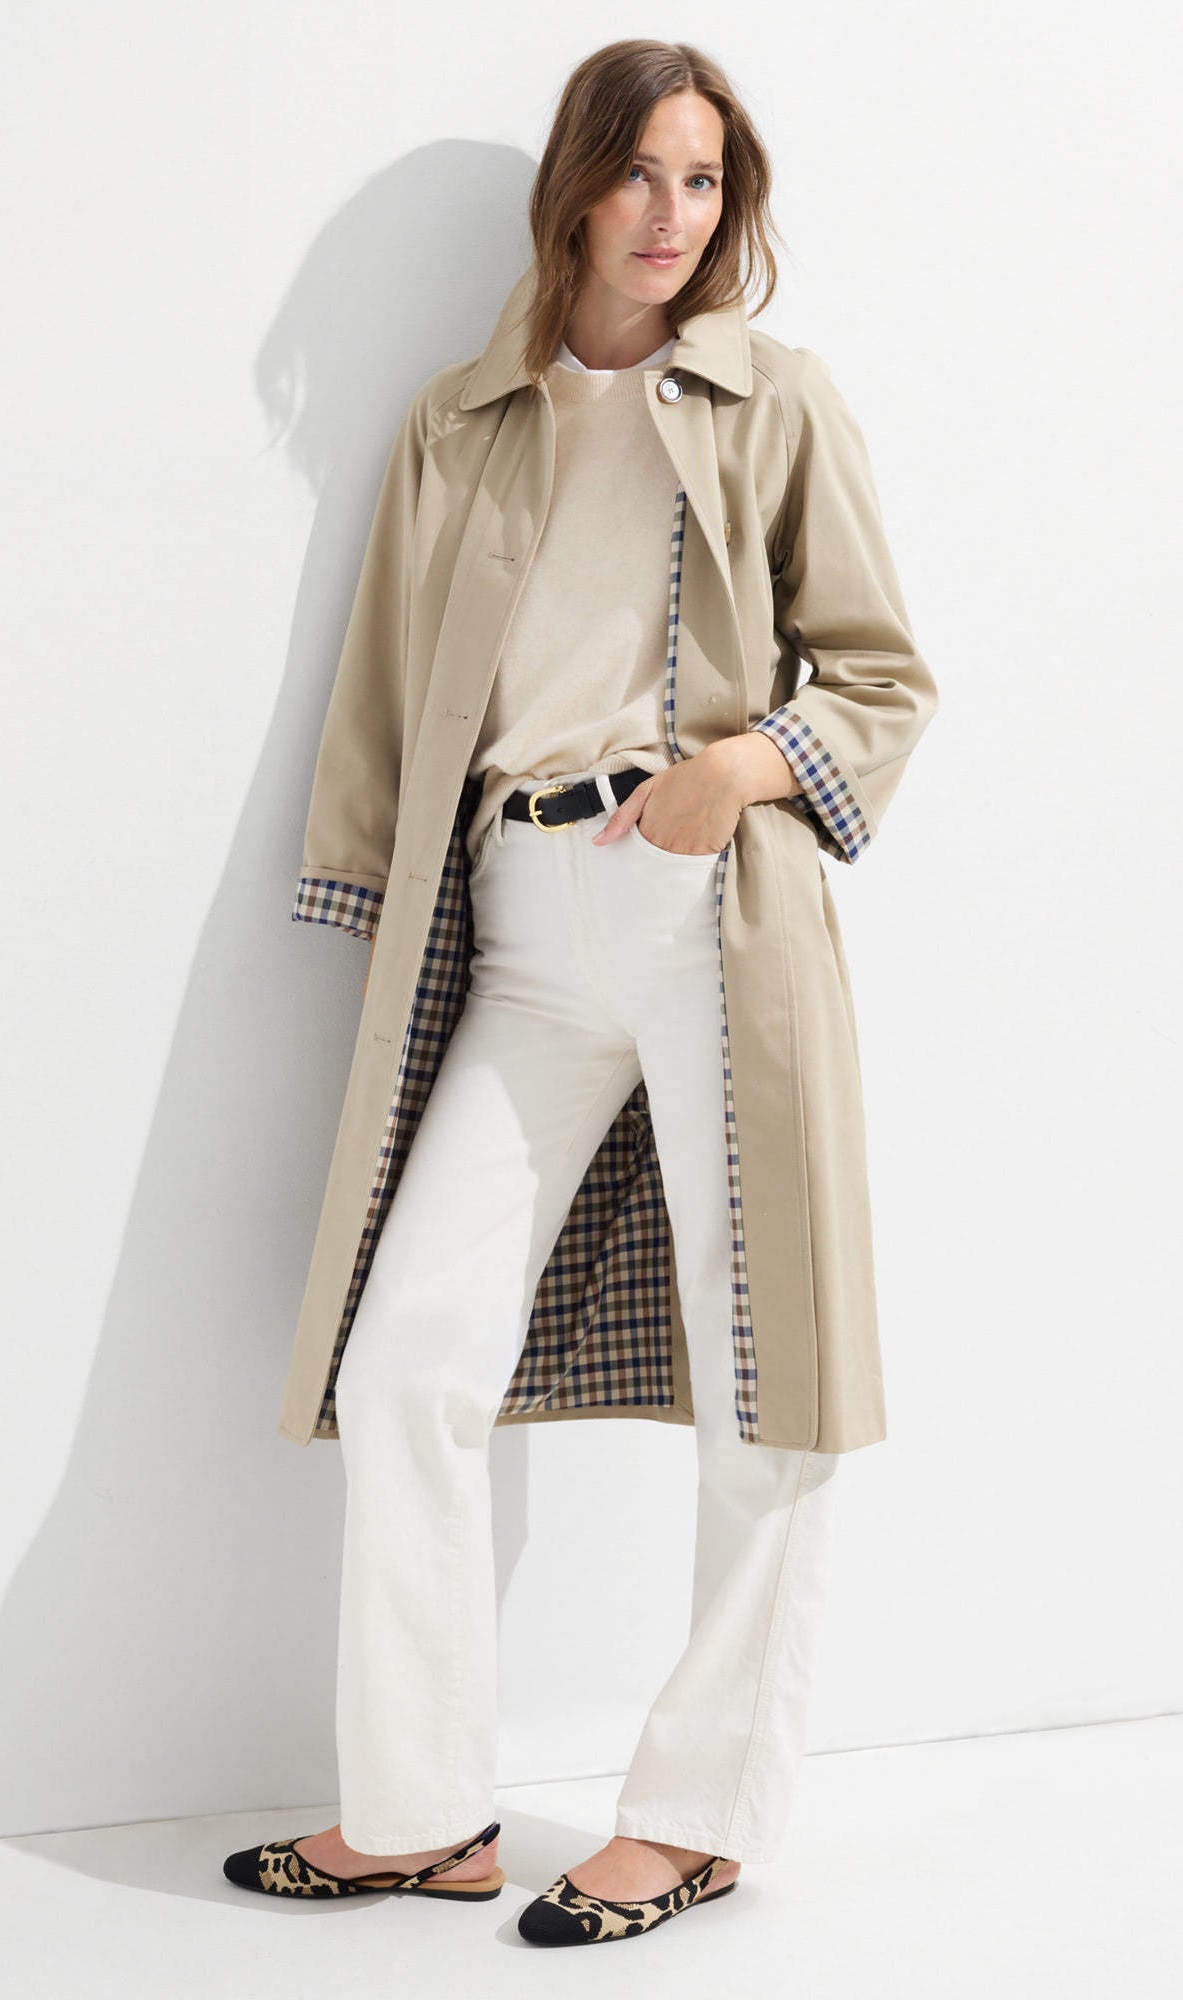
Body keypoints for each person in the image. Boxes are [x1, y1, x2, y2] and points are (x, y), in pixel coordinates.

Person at [224, 36, 938, 1948]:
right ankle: (420, 1813)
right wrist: (366, 903)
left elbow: (884, 676)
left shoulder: (776, 402)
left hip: (712, 909)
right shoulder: (463, 420)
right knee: (406, 1363)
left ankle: (698, 1816)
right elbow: (385, 698)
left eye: (704, 182)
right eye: (639, 174)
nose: (670, 215)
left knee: (766, 1367)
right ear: (575, 187)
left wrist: (739, 770)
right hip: (520, 923)